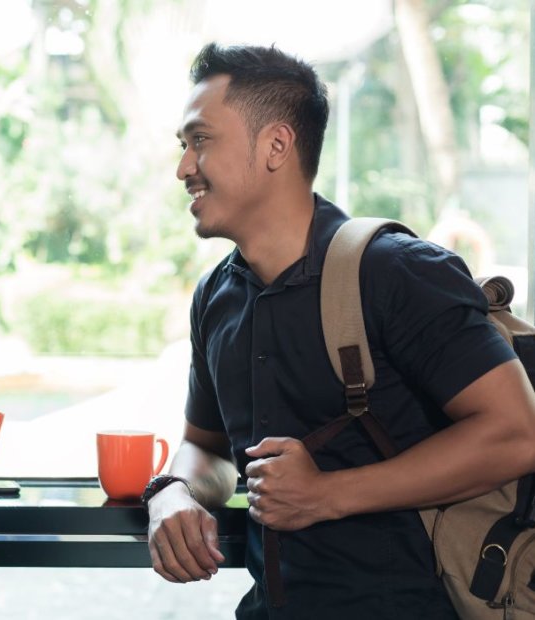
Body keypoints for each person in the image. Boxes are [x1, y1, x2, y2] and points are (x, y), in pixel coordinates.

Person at [144, 42, 535, 619]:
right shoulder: (216, 297)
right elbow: (204, 448)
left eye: (200, 140)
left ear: (276, 145)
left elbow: (517, 432)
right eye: (183, 145)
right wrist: (172, 492)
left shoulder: (396, 270)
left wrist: (327, 494)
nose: (183, 167)